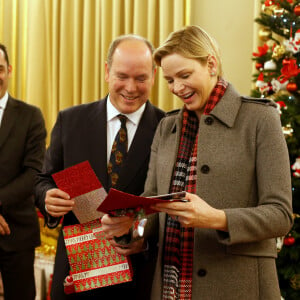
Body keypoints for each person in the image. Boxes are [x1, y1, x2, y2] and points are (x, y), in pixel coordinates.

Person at [101, 25, 293, 300]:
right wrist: (131, 225)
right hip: (170, 287)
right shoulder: (167, 127)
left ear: (211, 64)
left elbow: (281, 215)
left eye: (185, 75)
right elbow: (151, 207)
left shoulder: (260, 120)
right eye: (169, 80)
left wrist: (216, 218)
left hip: (240, 287)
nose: (177, 88)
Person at [35, 34, 165, 300]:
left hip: (136, 277)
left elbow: (168, 204)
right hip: (75, 273)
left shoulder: (167, 128)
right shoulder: (70, 120)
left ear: (153, 76)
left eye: (141, 78)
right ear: (106, 72)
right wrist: (47, 199)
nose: (131, 87)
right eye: (122, 76)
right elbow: (43, 180)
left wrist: (140, 234)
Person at [0, 43, 47, 300]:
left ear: (9, 70)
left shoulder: (30, 116)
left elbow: (34, 174)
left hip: (16, 232)